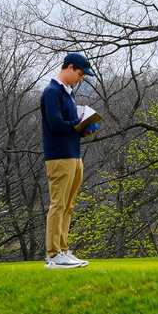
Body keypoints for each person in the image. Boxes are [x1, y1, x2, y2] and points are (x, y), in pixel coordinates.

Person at [40, 51, 97, 268]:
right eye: (80, 74)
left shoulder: (68, 93)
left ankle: (63, 249)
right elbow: (55, 124)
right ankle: (53, 254)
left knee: (69, 205)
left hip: (74, 154)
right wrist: (77, 122)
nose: (81, 79)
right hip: (59, 156)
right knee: (59, 204)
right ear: (70, 67)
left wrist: (84, 129)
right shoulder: (52, 91)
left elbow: (69, 125)